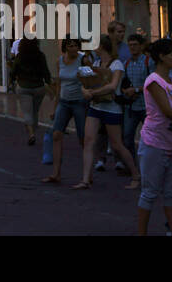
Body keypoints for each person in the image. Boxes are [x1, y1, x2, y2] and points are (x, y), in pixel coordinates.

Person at [74, 33, 139, 189]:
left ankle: (136, 175)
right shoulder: (96, 62)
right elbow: (86, 81)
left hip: (111, 108)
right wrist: (84, 90)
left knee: (117, 144)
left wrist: (92, 93)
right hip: (96, 106)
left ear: (101, 46)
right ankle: (85, 179)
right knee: (89, 141)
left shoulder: (116, 64)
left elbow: (113, 86)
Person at [136, 40, 172, 235]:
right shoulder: (154, 81)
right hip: (155, 142)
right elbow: (168, 111)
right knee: (150, 192)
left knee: (171, 193)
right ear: (162, 57)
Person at [43, 39, 88, 185]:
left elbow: (91, 79)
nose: (73, 48)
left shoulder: (83, 59)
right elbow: (59, 85)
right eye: (70, 45)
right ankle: (56, 173)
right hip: (64, 102)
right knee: (56, 134)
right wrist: (55, 107)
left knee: (83, 138)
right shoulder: (60, 61)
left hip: (79, 103)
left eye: (75, 45)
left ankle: (87, 175)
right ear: (65, 47)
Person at [11, 37, 51, 145]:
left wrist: (12, 81)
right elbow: (45, 71)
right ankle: (33, 129)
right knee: (35, 111)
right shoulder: (40, 56)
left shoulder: (20, 56)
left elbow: (13, 70)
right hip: (38, 87)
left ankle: (31, 134)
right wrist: (49, 83)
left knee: (27, 112)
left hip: (24, 87)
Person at [122, 32, 150, 158]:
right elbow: (122, 83)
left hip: (146, 107)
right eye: (130, 45)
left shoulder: (148, 62)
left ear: (141, 46)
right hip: (131, 107)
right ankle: (132, 165)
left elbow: (154, 83)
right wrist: (125, 91)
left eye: (135, 45)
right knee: (127, 137)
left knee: (150, 138)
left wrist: (136, 90)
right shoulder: (126, 63)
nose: (132, 47)